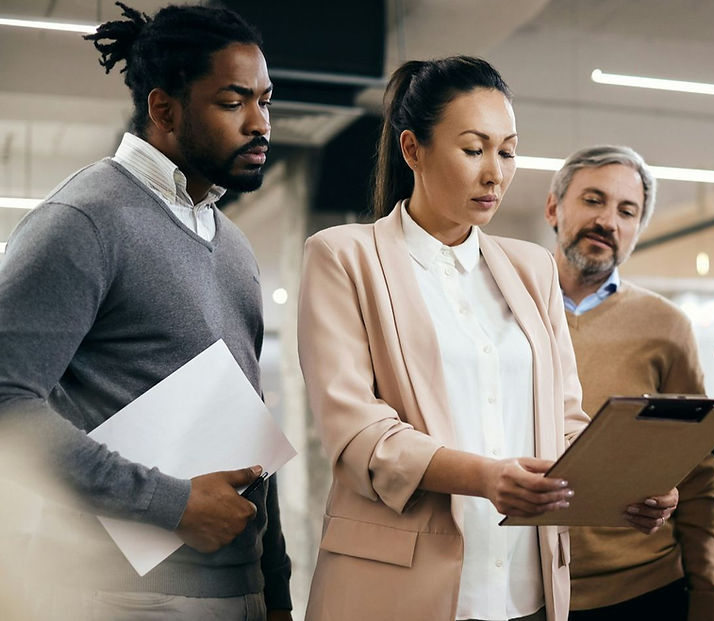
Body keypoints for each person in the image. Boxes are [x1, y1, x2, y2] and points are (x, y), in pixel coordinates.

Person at [297, 57, 677, 621]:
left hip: (526, 586)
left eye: (507, 151)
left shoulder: (531, 269)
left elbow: (563, 419)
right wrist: (484, 478)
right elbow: (357, 433)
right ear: (412, 151)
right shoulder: (344, 257)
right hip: (402, 587)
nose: (495, 173)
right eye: (474, 150)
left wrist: (624, 483)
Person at [0, 4, 291, 619]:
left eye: (266, 101)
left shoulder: (233, 245)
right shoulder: (85, 220)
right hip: (117, 597)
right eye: (234, 102)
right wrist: (171, 504)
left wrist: (276, 587)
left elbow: (250, 429)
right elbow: (6, 401)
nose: (260, 123)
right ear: (164, 109)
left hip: (240, 594)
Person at [544, 145, 714, 620]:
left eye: (627, 211)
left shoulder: (667, 326)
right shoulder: (505, 308)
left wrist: (708, 596)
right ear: (553, 208)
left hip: (642, 592)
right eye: (593, 200)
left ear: (637, 231)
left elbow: (697, 473)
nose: (608, 220)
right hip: (522, 588)